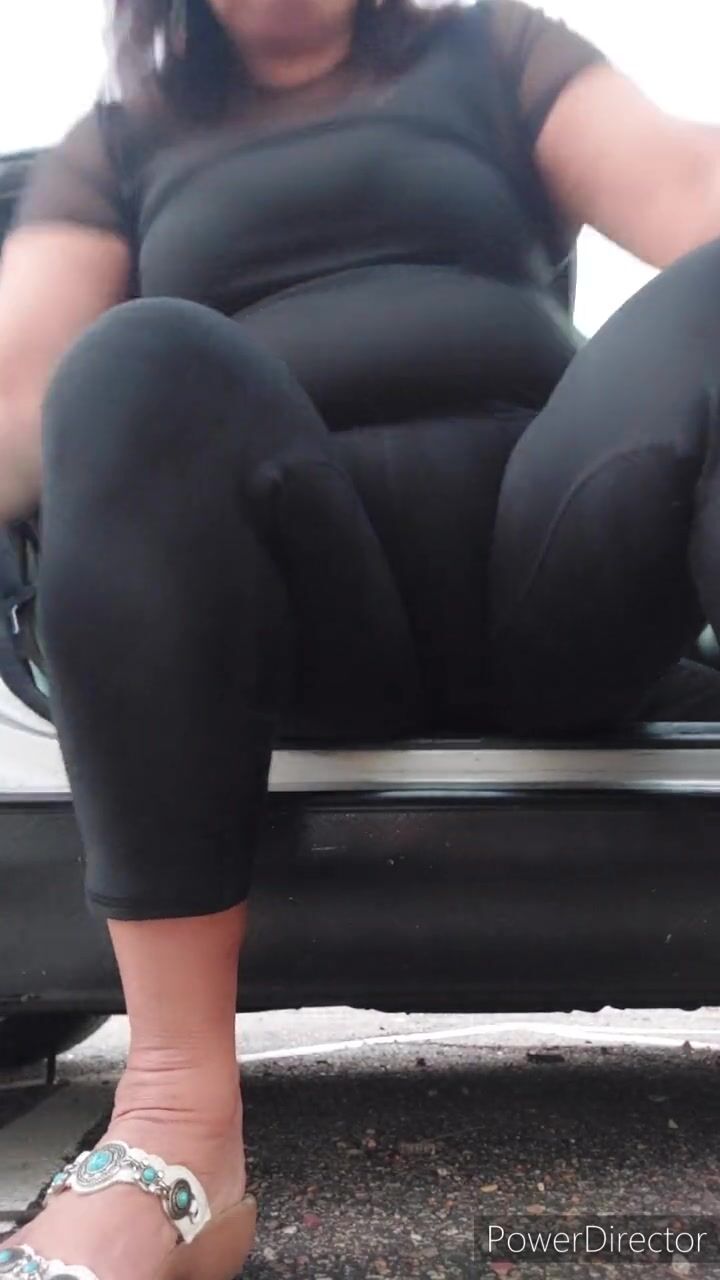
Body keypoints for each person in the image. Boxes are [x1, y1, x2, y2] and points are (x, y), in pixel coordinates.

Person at [0, 0, 719, 1274]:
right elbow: (19, 393)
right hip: (313, 611)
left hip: (559, 569)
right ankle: (177, 1135)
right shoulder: (119, 140)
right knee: (129, 361)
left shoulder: (492, 51)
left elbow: (687, 187)